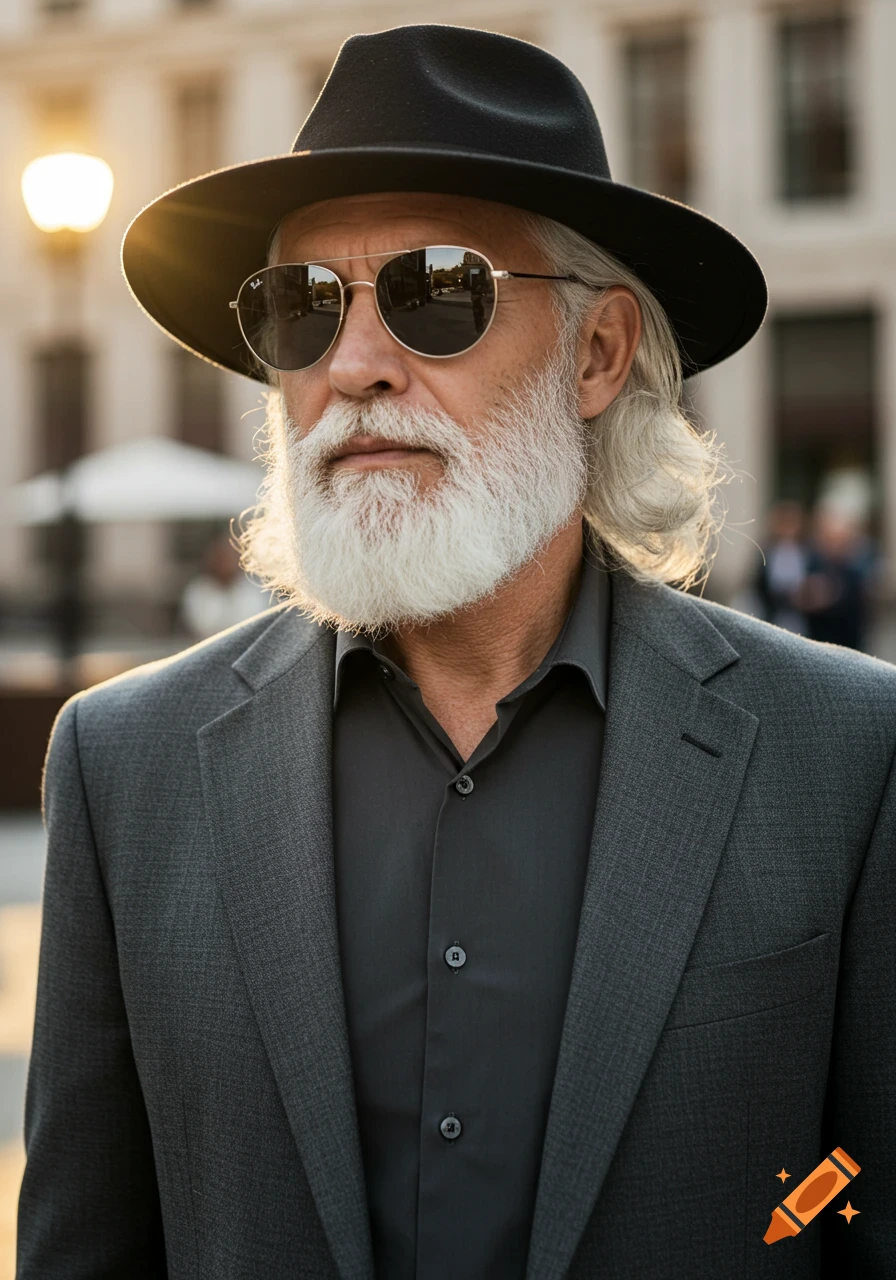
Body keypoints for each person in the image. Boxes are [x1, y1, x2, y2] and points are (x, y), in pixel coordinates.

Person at [17, 24, 894, 1280]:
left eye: (436, 291)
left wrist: (771, 1227)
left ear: (595, 354)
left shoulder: (849, 754)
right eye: (301, 308)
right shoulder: (124, 765)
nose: (356, 366)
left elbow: (863, 1187)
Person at [179, 534, 269, 640]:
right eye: (221, 559)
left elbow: (253, 622)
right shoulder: (199, 590)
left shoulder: (253, 587)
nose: (225, 564)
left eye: (228, 559)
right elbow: (202, 625)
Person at [754, 499, 809, 633]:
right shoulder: (767, 552)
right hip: (773, 615)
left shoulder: (805, 552)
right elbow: (760, 586)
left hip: (798, 617)